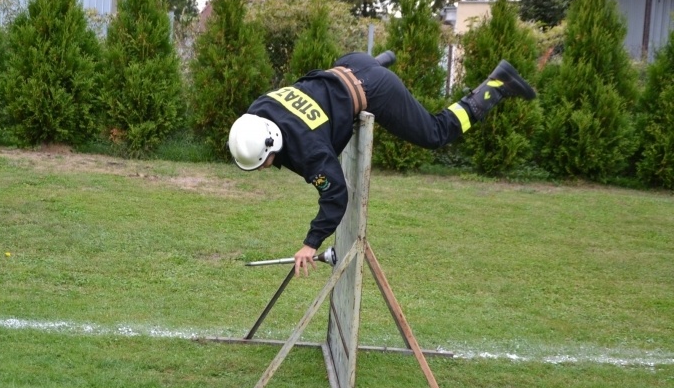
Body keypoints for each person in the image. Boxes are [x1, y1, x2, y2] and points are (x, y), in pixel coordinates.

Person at [227, 51, 536, 277]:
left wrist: (311, 243)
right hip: (351, 63)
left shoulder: (309, 151)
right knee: (352, 84)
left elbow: (336, 196)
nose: (265, 167)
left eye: (263, 162)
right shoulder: (258, 110)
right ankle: (377, 62)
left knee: (435, 132)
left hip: (376, 90)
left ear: (273, 143)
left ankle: (497, 85)